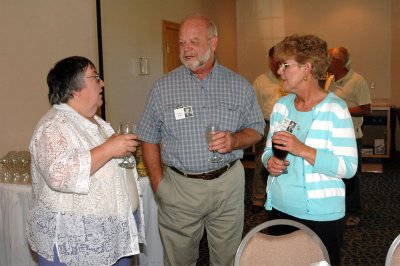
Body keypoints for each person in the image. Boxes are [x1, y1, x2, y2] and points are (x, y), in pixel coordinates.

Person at [136, 14, 265, 266]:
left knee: (227, 258)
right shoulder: (163, 88)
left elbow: (257, 129)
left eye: (194, 42)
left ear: (213, 42)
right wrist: (158, 184)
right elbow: (148, 136)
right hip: (180, 187)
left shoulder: (239, 85)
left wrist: (235, 140)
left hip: (228, 183)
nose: (186, 49)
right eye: (182, 43)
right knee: (179, 260)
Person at [26, 56, 145, 266]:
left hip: (111, 233)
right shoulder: (54, 125)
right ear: (75, 89)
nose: (102, 83)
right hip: (76, 241)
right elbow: (59, 174)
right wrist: (109, 149)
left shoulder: (96, 122)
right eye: (95, 77)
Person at [261, 34, 358, 266]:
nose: (279, 71)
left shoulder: (336, 109)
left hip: (320, 215)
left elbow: (348, 167)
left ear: (307, 68)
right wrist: (270, 162)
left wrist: (302, 149)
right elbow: (267, 151)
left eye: (286, 65)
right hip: (279, 208)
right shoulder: (281, 107)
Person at [325, 47, 372, 227]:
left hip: (351, 136)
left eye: (327, 59)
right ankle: (339, 208)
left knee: (351, 176)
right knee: (335, 173)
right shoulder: (330, 80)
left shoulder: (357, 80)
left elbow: (367, 109)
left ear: (337, 61)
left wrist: (340, 110)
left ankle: (353, 212)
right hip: (332, 135)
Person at [251, 46, 285, 213]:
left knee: (284, 162)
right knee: (261, 163)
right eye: (276, 60)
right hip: (265, 125)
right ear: (270, 60)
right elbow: (253, 107)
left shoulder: (288, 78)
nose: (279, 63)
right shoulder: (260, 81)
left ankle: (281, 197)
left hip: (286, 127)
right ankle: (258, 198)